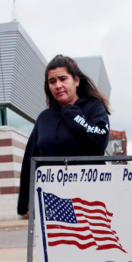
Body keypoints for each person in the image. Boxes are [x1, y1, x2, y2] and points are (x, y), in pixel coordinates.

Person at [17, 55, 111, 216]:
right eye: (52, 81)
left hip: (92, 198)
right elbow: (30, 159)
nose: (58, 85)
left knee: (90, 240)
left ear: (76, 80)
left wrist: (73, 115)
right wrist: (24, 200)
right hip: (55, 199)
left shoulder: (94, 108)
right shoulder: (44, 118)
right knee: (61, 240)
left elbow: (100, 140)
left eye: (62, 79)